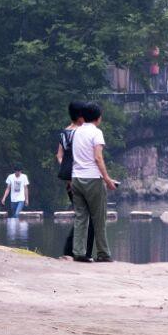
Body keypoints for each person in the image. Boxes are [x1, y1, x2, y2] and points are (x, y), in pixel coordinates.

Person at [66, 101, 118, 262]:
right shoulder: (96, 133)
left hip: (76, 179)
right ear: (98, 117)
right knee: (99, 217)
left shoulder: (75, 133)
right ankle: (103, 253)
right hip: (93, 180)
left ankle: (79, 252)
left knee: (81, 217)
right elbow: (97, 158)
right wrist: (107, 179)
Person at [56, 103, 88, 258]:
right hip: (80, 177)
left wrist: (66, 171)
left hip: (68, 178)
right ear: (81, 117)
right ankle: (72, 249)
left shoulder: (64, 132)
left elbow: (59, 155)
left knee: (80, 213)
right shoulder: (80, 133)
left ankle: (75, 250)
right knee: (83, 214)